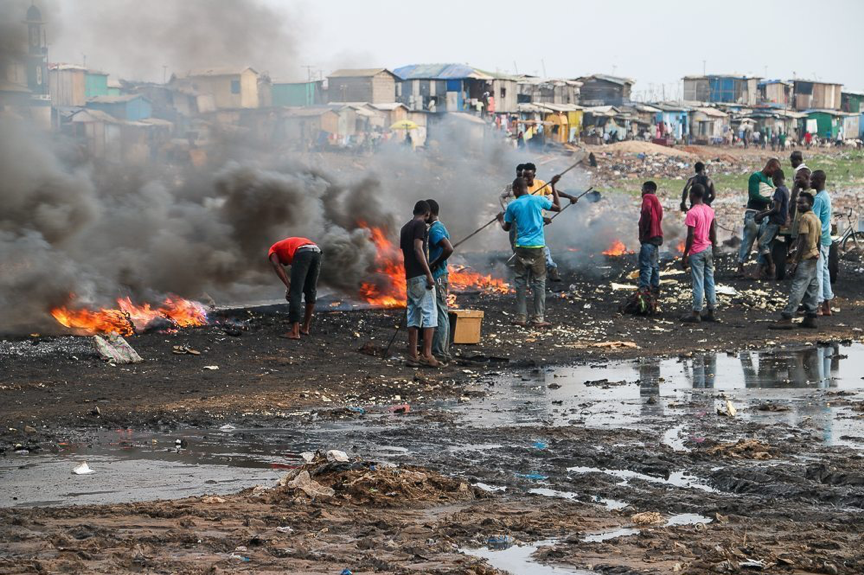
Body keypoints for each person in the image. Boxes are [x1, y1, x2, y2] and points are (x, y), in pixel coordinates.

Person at [497, 176, 561, 327]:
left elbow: (507, 228)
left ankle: (521, 317)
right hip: (537, 248)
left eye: (514, 189)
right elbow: (557, 207)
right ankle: (538, 318)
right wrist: (554, 187)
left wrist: (500, 219)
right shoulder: (538, 200)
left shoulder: (513, 205)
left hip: (521, 248)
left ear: (517, 189)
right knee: (539, 282)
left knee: (520, 282)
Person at [771, 193, 820, 329]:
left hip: (805, 257)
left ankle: (787, 317)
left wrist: (795, 261)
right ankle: (811, 317)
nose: (799, 205)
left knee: (798, 286)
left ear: (810, 204)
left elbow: (803, 240)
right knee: (812, 286)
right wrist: (817, 252)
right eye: (798, 203)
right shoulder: (815, 218)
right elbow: (817, 239)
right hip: (814, 256)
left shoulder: (804, 218)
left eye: (802, 203)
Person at [400, 201, 439, 368]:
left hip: (410, 276)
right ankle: (427, 355)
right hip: (421, 275)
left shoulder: (405, 227)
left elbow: (406, 252)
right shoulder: (421, 224)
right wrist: (428, 274)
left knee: (413, 314)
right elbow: (417, 249)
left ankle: (412, 356)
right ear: (427, 214)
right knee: (430, 313)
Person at [522, 162, 573, 282]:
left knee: (537, 247)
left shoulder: (540, 184)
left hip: (536, 223)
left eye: (528, 176)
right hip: (525, 223)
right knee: (533, 248)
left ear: (534, 175)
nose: (525, 179)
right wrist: (542, 218)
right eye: (523, 176)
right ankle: (548, 269)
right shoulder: (520, 189)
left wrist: (570, 197)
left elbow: (552, 192)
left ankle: (547, 270)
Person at [268, 237, 322, 339]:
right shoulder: (287, 246)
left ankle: (294, 332)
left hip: (302, 252)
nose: (285, 264)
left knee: (295, 292)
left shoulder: (272, 250)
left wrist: (289, 286)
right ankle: (305, 328)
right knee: (311, 290)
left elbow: (277, 266)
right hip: (316, 251)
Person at [737, 158, 780, 277]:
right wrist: (770, 201)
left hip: (764, 214)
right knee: (748, 240)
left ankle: (759, 269)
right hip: (753, 212)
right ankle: (740, 266)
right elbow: (754, 195)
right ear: (770, 166)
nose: (774, 174)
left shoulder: (769, 181)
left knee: (763, 242)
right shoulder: (756, 177)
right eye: (774, 170)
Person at [681, 184, 718, 323]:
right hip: (708, 248)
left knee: (698, 282)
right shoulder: (709, 210)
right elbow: (713, 232)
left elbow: (690, 236)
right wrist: (713, 248)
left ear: (693, 195)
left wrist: (685, 255)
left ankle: (696, 312)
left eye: (690, 194)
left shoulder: (692, 212)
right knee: (709, 280)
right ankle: (711, 311)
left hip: (697, 250)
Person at [426, 199, 454, 364]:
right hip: (440, 275)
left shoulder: (436, 229)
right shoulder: (439, 227)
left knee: (440, 313)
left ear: (429, 212)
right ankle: (442, 350)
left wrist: (433, 263)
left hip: (438, 276)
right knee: (441, 311)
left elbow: (448, 248)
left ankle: (440, 352)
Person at [754, 169, 790, 278]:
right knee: (768, 244)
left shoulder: (779, 190)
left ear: (774, 179)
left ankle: (771, 265)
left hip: (775, 221)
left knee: (762, 243)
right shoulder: (785, 189)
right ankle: (761, 270)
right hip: (780, 220)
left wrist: (763, 215)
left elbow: (776, 209)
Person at [811, 170, 834, 316]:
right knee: (824, 271)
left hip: (819, 239)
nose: (810, 182)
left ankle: (818, 305)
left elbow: (815, 223)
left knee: (818, 271)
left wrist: (813, 242)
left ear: (819, 180)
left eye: (812, 180)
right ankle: (827, 304)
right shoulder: (826, 196)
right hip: (826, 239)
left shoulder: (818, 199)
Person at [638, 181, 663, 295]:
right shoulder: (657, 201)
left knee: (645, 265)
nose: (641, 193)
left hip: (649, 236)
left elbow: (646, 212)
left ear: (647, 190)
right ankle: (655, 287)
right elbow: (660, 216)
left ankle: (644, 289)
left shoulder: (647, 198)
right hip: (656, 237)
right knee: (654, 265)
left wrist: (644, 229)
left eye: (642, 190)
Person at [500, 164, 526, 251]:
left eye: (521, 175)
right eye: (518, 175)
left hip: (526, 217)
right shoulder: (511, 185)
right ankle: (515, 255)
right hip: (513, 217)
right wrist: (506, 209)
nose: (519, 178)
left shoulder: (531, 187)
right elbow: (501, 197)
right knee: (513, 237)